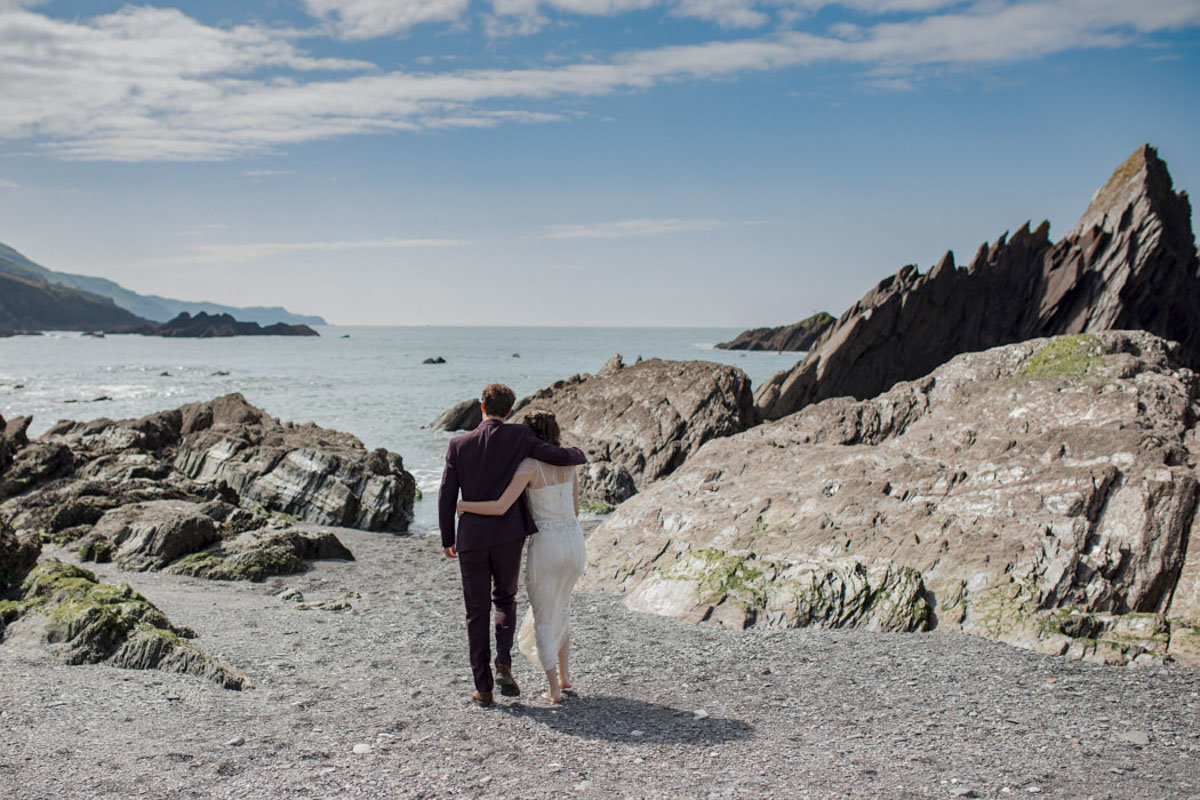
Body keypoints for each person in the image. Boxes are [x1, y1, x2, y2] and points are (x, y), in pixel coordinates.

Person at [439, 385, 586, 708]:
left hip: (472, 539)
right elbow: (556, 455)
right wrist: (578, 455)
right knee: (505, 598)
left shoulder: (457, 443)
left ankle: (484, 688)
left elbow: (447, 493)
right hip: (509, 536)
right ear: (509, 410)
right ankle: (503, 663)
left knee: (476, 612)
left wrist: (448, 537)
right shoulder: (519, 436)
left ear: (481, 407)